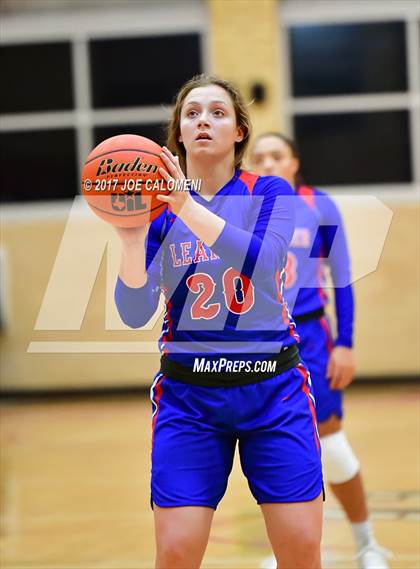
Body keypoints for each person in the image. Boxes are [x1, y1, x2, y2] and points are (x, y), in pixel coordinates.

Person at [114, 76, 323, 569]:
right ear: (179, 136)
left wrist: (184, 204)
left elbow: (265, 260)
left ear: (239, 132)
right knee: (177, 551)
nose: (203, 120)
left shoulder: (269, 191)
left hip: (273, 391)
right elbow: (134, 311)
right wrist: (128, 238)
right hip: (190, 400)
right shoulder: (157, 212)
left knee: (300, 549)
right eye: (192, 114)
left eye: (217, 112)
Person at [250, 132, 391, 569]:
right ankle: (287, 551)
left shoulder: (319, 206)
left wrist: (345, 344)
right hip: (259, 341)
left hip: (310, 337)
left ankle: (367, 543)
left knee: (331, 443)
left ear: (294, 162)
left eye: (278, 155)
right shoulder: (242, 208)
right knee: (275, 449)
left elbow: (342, 278)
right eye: (260, 157)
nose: (269, 163)